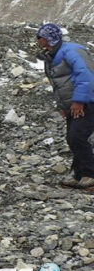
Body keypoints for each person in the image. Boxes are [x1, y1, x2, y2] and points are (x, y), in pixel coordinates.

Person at [37, 23, 94, 190]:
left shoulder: (71, 51)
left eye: (40, 37)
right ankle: (79, 175)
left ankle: (90, 175)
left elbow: (86, 76)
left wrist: (79, 101)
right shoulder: (53, 54)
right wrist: (64, 106)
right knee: (73, 138)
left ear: (48, 38)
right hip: (75, 104)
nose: (38, 41)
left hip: (88, 102)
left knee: (77, 137)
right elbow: (59, 84)